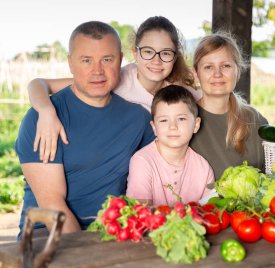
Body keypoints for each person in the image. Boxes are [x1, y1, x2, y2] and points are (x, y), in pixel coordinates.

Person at [15, 21, 155, 236]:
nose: (97, 70)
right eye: (86, 60)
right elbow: (52, 205)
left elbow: (156, 173)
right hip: (48, 232)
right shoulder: (42, 119)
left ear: (120, 61)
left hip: (112, 229)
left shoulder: (138, 118)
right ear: (70, 63)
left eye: (107, 60)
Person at [27, 16, 201, 163]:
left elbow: (215, 99)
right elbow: (39, 84)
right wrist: (46, 111)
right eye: (148, 51)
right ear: (135, 53)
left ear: (174, 57)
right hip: (116, 160)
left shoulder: (178, 94)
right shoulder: (115, 79)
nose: (156, 61)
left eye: (165, 53)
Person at [190, 32, 268, 180]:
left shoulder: (255, 120)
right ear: (195, 74)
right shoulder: (185, 119)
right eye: (208, 67)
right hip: (199, 204)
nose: (217, 74)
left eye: (226, 66)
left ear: (238, 72)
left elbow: (272, 173)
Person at [126, 85, 214, 206]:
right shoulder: (142, 161)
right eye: (163, 120)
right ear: (154, 127)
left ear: (196, 125)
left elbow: (209, 214)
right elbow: (140, 212)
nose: (172, 127)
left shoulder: (203, 168)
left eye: (181, 119)